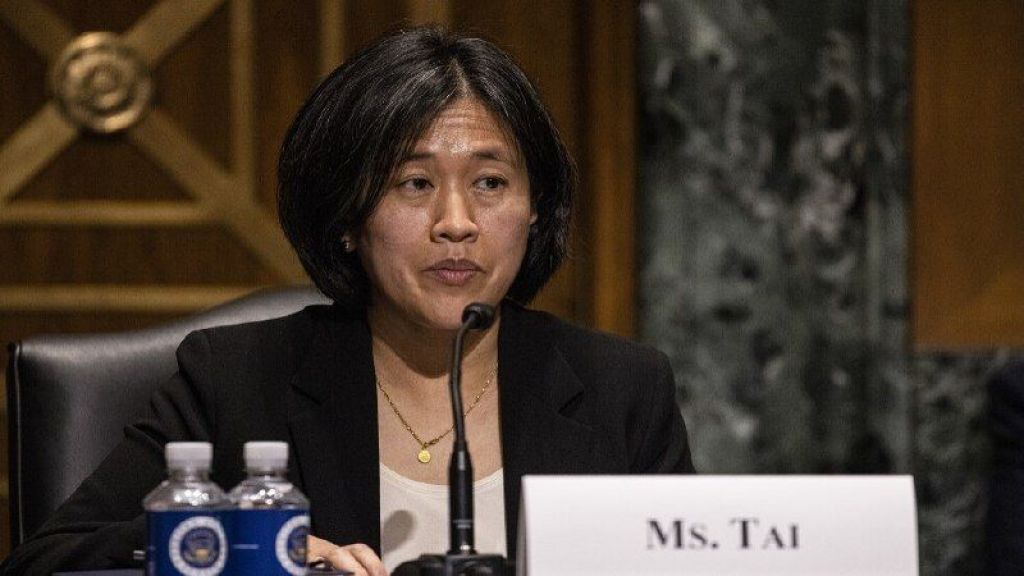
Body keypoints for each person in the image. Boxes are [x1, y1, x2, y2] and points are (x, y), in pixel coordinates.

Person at [2, 27, 694, 576]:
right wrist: (239, 550)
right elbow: (50, 561)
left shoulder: (622, 389)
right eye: (414, 184)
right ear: (347, 218)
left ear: (535, 209)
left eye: (490, 183)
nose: (456, 223)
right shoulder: (239, 379)